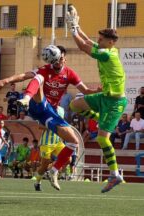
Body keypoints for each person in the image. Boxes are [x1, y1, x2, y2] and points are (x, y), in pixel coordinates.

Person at [0, 45, 99, 190]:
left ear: (64, 59)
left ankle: (53, 171)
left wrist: (98, 92)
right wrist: (5, 81)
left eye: (60, 59)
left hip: (49, 113)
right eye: (55, 59)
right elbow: (24, 75)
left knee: (73, 142)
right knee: (38, 76)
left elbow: (86, 90)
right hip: (36, 103)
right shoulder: (45, 70)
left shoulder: (70, 74)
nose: (58, 62)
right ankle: (25, 98)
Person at [66, 5, 127, 192]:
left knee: (102, 139)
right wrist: (77, 25)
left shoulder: (107, 54)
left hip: (115, 103)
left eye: (101, 39)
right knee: (74, 105)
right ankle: (99, 119)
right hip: (105, 97)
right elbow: (87, 41)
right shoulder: (109, 50)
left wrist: (72, 28)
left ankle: (115, 174)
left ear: (110, 42)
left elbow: (83, 46)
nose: (97, 41)